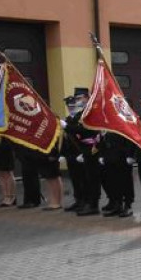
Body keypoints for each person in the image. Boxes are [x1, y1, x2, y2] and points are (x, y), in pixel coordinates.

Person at [63, 87, 102, 216]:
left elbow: (86, 131)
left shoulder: (91, 111)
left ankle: (93, 205)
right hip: (84, 149)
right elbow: (76, 131)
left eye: (79, 98)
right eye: (77, 98)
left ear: (86, 97)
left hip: (92, 148)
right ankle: (86, 202)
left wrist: (67, 127)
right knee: (86, 177)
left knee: (92, 178)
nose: (77, 101)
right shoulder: (82, 113)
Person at [60, 95, 86, 212]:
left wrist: (83, 153)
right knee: (74, 179)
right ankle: (78, 200)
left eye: (73, 106)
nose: (71, 108)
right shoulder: (67, 120)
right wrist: (62, 154)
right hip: (70, 155)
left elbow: (80, 133)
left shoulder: (82, 118)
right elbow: (65, 139)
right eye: (69, 106)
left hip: (80, 153)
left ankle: (86, 201)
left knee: (83, 179)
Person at [99, 132, 134, 217]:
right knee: (113, 182)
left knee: (125, 181)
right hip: (110, 155)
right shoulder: (108, 122)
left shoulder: (124, 119)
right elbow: (104, 140)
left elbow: (130, 137)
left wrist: (130, 155)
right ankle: (117, 205)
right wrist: (102, 155)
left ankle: (127, 205)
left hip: (122, 156)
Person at [0, 134, 17, 207]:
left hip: (5, 144)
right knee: (0, 173)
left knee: (7, 172)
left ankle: (11, 196)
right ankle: (5, 196)